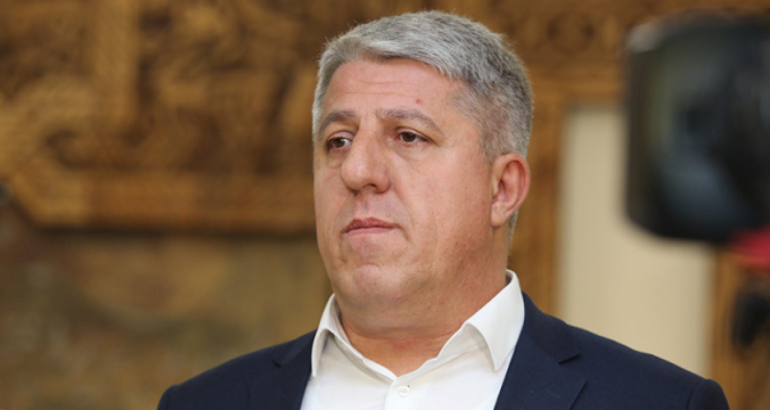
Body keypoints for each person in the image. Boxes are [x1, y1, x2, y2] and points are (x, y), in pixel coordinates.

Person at [157, 11, 730, 410]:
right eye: (338, 141)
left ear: (502, 189)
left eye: (408, 136)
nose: (357, 171)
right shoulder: (204, 403)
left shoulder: (657, 402)